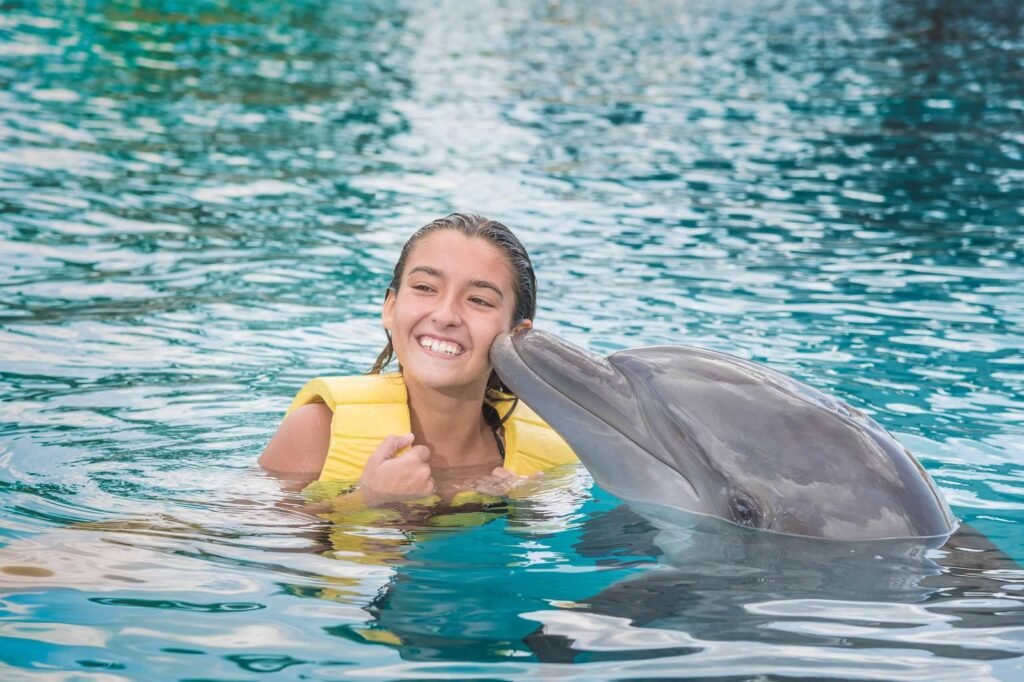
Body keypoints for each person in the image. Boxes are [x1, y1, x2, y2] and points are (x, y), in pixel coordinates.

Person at [259, 213, 577, 505]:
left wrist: (527, 514)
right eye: (425, 287)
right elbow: (240, 537)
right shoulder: (318, 430)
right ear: (390, 308)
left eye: (479, 300)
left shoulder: (551, 453)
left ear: (517, 337)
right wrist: (367, 500)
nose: (445, 315)